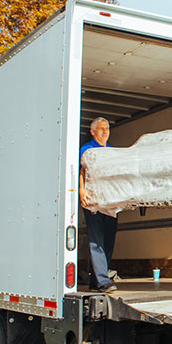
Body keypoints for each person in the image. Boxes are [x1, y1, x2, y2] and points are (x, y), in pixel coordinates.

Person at [79, 117, 117, 293]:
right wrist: (81, 190)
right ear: (93, 132)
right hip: (93, 201)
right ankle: (103, 281)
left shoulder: (111, 151)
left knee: (108, 240)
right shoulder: (87, 150)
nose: (105, 131)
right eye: (101, 129)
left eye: (107, 128)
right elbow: (83, 170)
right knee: (97, 240)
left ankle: (96, 281)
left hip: (109, 201)